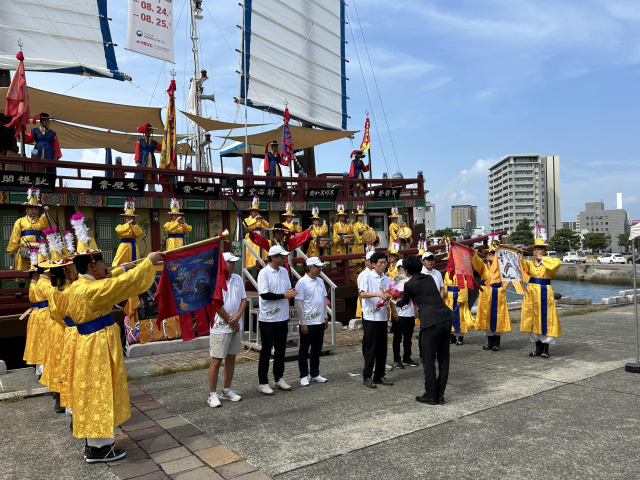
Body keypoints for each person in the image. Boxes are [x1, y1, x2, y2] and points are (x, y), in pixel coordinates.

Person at [68, 248, 163, 463]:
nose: (105, 267)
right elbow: (121, 285)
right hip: (98, 347)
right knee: (101, 391)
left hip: (89, 344)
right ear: (93, 266)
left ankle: (95, 445)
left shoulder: (78, 286)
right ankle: (101, 448)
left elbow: (111, 279)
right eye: (102, 263)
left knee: (93, 392)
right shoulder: (92, 290)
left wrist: (123, 268)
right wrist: (147, 263)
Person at [396, 255, 455, 405]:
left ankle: (430, 395)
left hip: (430, 322)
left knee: (428, 361)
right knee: (443, 359)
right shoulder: (429, 278)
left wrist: (392, 300)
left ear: (407, 271)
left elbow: (404, 302)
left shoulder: (409, 284)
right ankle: (440, 394)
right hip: (445, 317)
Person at [257, 245, 298, 394]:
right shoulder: (264, 273)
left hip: (282, 317)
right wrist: (284, 295)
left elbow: (287, 289)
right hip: (268, 318)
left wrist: (291, 292)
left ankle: (278, 378)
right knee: (266, 351)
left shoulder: (285, 271)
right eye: (281, 256)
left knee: (281, 349)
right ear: (273, 257)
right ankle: (262, 382)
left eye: (284, 256)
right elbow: (264, 295)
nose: (283, 259)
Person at [208, 253, 247, 407]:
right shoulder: (216, 280)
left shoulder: (237, 278)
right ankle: (212, 394)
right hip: (220, 326)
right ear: (223, 264)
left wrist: (237, 316)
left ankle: (226, 390)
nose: (233, 265)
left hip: (236, 324)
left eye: (234, 262)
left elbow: (243, 299)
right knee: (216, 360)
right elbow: (216, 304)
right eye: (230, 262)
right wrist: (231, 320)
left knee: (231, 358)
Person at [520, 238, 563, 358]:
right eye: (534, 249)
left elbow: (557, 263)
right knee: (532, 318)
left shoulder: (548, 262)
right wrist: (518, 254)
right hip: (531, 293)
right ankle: (537, 348)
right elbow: (521, 265)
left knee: (545, 318)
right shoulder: (531, 263)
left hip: (544, 291)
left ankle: (545, 349)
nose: (535, 251)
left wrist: (542, 259)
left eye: (538, 249)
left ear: (544, 251)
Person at [359, 251, 395, 388]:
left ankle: (379, 375)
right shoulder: (366, 276)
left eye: (385, 263)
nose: (383, 265)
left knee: (382, 348)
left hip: (382, 317)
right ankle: (367, 376)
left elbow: (390, 294)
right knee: (371, 348)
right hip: (370, 316)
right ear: (373, 264)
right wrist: (378, 294)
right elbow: (362, 294)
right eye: (380, 263)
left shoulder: (386, 278)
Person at [472, 244, 513, 351]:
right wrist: (474, 254)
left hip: (497, 293)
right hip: (485, 294)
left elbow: (507, 278)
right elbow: (477, 263)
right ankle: (490, 342)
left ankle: (497, 343)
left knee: (497, 316)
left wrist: (502, 289)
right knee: (486, 316)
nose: (488, 255)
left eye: (492, 254)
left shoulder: (502, 267)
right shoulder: (484, 267)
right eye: (488, 253)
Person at [296, 257, 329, 386]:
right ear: (311, 267)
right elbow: (299, 303)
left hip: (319, 320)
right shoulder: (302, 283)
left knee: (317, 348)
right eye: (318, 267)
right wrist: (302, 322)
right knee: (304, 349)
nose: (320, 269)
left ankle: (314, 373)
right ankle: (304, 375)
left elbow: (324, 300)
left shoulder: (320, 281)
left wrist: (325, 316)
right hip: (308, 322)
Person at [7, 188, 49, 272]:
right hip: (25, 247)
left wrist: (45, 213)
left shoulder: (40, 220)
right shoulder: (20, 221)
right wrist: (12, 249)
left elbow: (44, 225)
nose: (34, 211)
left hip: (38, 247)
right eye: (31, 209)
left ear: (38, 211)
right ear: (27, 210)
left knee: (38, 268)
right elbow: (15, 235)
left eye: (36, 209)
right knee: (23, 268)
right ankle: (22, 285)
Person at [391, 259, 419, 369]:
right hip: (399, 314)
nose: (403, 269)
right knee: (397, 338)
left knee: (408, 338)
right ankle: (397, 360)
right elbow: (391, 297)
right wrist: (394, 311)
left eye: (405, 267)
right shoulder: (395, 280)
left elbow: (414, 297)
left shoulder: (411, 279)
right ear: (398, 269)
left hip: (410, 313)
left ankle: (407, 357)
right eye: (400, 267)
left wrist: (415, 309)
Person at [443, 269, 476, 346]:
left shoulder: (460, 273)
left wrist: (461, 298)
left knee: (460, 317)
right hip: (449, 298)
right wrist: (444, 291)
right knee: (449, 317)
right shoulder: (447, 273)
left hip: (457, 296)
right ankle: (452, 337)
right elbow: (445, 284)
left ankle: (460, 338)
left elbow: (463, 286)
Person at [112, 201, 143, 267]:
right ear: (125, 219)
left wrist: (134, 225)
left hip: (133, 246)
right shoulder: (120, 226)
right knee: (121, 262)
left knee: (135, 262)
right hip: (124, 246)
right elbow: (119, 231)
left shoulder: (134, 226)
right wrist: (128, 224)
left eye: (131, 217)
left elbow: (139, 234)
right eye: (128, 217)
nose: (130, 219)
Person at [134, 123, 161, 191]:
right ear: (144, 131)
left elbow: (162, 148)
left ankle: (152, 194)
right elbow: (137, 151)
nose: (149, 132)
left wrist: (167, 143)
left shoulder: (154, 142)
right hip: (143, 160)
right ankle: (140, 192)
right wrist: (137, 161)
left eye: (150, 130)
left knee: (151, 177)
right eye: (148, 130)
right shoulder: (139, 141)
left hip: (152, 161)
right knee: (142, 177)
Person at [245, 196, 270, 269]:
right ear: (251, 212)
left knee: (260, 254)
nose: (256, 213)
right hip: (251, 238)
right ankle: (248, 272)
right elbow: (248, 226)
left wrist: (261, 220)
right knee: (250, 254)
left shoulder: (260, 220)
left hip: (259, 238)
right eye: (254, 211)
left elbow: (266, 226)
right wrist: (255, 220)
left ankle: (258, 272)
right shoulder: (247, 219)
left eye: (257, 212)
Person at [355, 251, 374, 319]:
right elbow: (360, 294)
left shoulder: (378, 273)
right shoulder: (362, 275)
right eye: (372, 260)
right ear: (366, 262)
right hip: (368, 308)